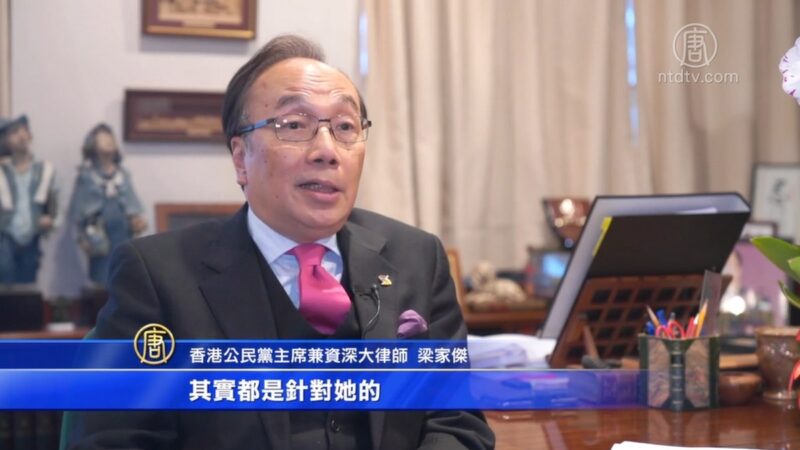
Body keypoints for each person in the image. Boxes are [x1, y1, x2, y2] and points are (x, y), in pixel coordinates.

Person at [67, 35, 495, 449]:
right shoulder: (157, 276)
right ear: (241, 158)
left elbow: (455, 421)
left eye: (345, 127)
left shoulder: (417, 258)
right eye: (294, 125)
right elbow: (114, 439)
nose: (327, 150)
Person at [68, 123, 146, 285]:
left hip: (122, 231)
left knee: (124, 269)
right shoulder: (87, 177)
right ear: (93, 145)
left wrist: (136, 220)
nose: (108, 141)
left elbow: (131, 202)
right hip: (98, 234)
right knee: (102, 272)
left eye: (110, 138)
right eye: (102, 139)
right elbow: (79, 209)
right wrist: (81, 238)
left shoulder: (123, 175)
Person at [0, 114, 58, 283]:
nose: (21, 136)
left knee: (27, 282)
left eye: (24, 131)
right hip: (5, 236)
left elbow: (55, 203)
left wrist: (51, 219)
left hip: (32, 236)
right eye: (14, 132)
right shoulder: (2, 171)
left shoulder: (44, 170)